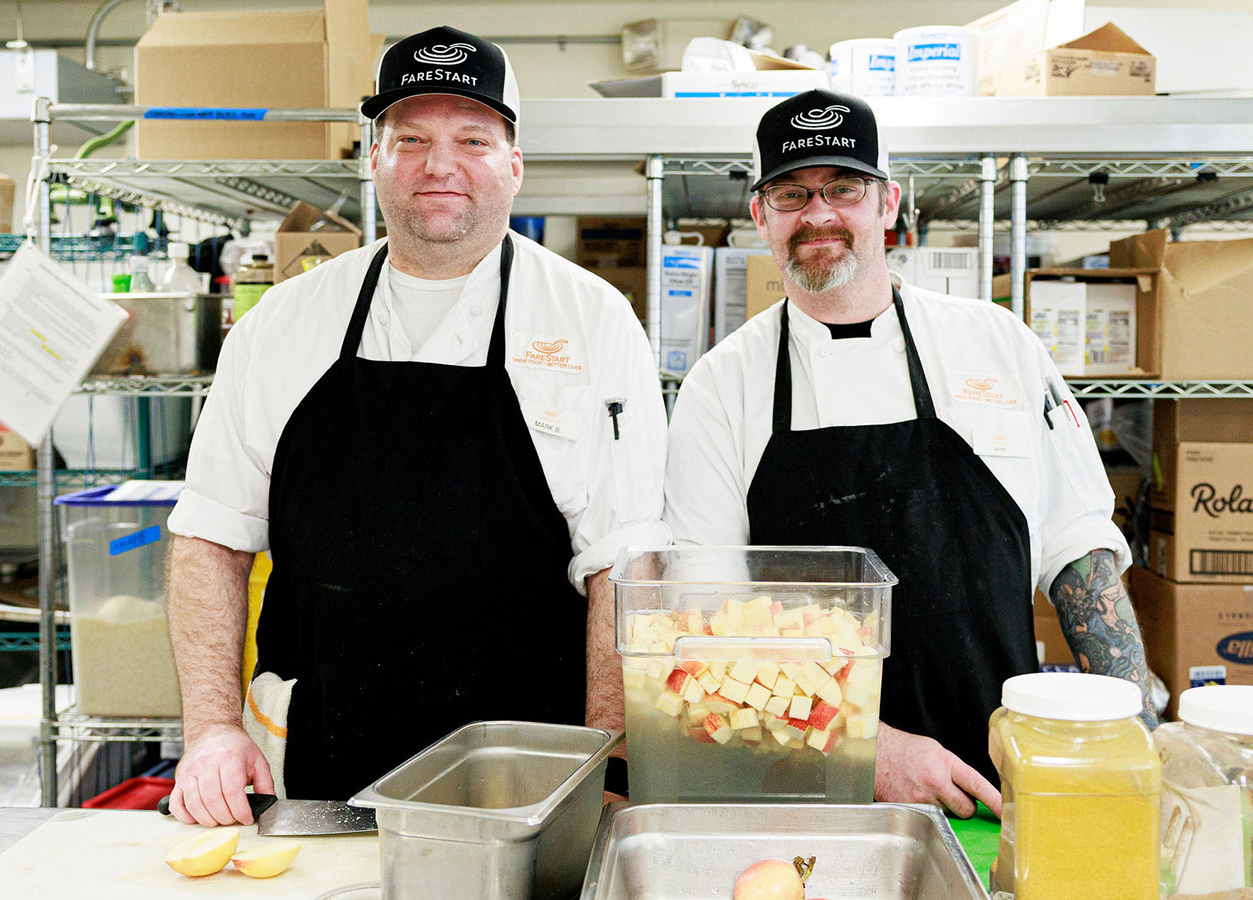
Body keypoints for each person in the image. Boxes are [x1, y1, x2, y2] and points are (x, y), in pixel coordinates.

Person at [163, 26, 668, 827]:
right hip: (317, 760)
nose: (441, 165)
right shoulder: (284, 323)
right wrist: (213, 730)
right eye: (411, 139)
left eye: (473, 138)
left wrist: (606, 755)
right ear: (373, 158)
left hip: (526, 773)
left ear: (514, 163)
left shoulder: (593, 320)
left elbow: (625, 563)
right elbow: (209, 538)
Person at [662, 89, 1154, 818]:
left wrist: (1135, 733)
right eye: (792, 193)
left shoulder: (998, 345)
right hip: (803, 784)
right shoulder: (720, 386)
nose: (819, 213)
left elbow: (1078, 550)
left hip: (998, 782)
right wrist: (868, 746)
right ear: (761, 217)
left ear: (888, 203)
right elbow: (707, 627)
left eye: (844, 188)